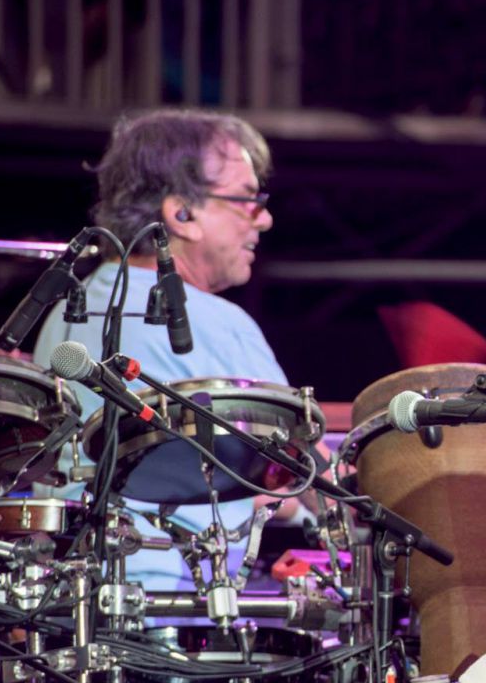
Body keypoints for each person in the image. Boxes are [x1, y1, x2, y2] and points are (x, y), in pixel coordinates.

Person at [32, 108, 296, 589]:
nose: (265, 218)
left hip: (71, 594)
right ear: (182, 214)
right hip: (186, 596)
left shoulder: (62, 315)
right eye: (248, 200)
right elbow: (297, 472)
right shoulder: (218, 322)